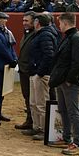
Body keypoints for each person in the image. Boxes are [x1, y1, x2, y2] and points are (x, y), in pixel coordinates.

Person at [49, 12, 79, 155]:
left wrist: (70, 79)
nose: (59, 26)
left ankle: (77, 143)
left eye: (60, 23)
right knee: (64, 110)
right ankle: (66, 138)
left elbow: (78, 62)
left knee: (73, 112)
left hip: (70, 81)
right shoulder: (71, 37)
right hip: (63, 79)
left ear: (65, 23)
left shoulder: (76, 38)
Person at [27, 13, 58, 141]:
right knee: (34, 102)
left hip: (41, 74)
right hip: (37, 72)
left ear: (37, 23)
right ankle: (37, 126)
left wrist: (40, 72)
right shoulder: (43, 34)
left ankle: (44, 129)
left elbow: (49, 55)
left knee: (41, 103)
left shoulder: (45, 35)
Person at [15, 12, 36, 132]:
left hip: (30, 70)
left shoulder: (36, 34)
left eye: (27, 21)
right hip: (24, 69)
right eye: (23, 21)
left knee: (33, 98)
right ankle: (30, 120)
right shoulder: (27, 33)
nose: (24, 23)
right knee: (27, 96)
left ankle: (33, 122)